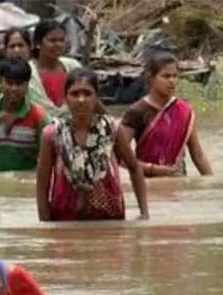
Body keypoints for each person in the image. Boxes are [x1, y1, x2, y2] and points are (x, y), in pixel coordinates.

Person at [36, 68, 150, 221]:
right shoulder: (52, 134)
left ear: (97, 97)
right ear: (66, 98)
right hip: (65, 218)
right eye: (75, 94)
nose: (81, 100)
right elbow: (42, 184)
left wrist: (144, 213)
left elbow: (134, 167)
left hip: (109, 217)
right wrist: (46, 223)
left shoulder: (112, 130)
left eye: (87, 94)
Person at [120, 52, 213, 177]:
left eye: (175, 76)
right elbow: (120, 156)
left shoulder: (184, 111)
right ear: (151, 78)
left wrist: (211, 184)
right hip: (148, 183)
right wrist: (153, 169)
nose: (172, 81)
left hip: (178, 182)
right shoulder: (137, 111)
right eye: (166, 76)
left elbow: (198, 155)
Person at [26, 19, 82, 118]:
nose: (58, 45)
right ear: (38, 43)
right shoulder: (27, 72)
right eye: (52, 40)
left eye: (61, 40)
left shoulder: (73, 67)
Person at [0, 27, 32, 102]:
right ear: (5, 51)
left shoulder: (38, 76)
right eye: (12, 46)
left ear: (29, 48)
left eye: (20, 45)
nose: (16, 50)